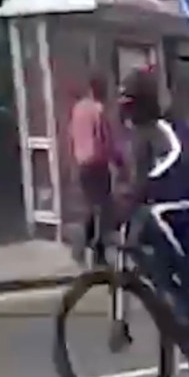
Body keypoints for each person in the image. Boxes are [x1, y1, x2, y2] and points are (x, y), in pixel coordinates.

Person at [117, 67, 189, 377]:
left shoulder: (155, 133)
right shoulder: (153, 132)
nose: (125, 113)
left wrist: (119, 209)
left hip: (185, 210)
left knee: (169, 276)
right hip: (185, 210)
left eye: (128, 105)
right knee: (180, 292)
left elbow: (149, 180)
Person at [68, 73, 121, 266]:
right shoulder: (98, 110)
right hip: (97, 164)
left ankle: (87, 250)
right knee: (102, 209)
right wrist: (118, 160)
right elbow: (106, 139)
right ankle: (88, 250)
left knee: (92, 207)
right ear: (99, 90)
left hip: (82, 163)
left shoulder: (78, 109)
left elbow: (72, 136)